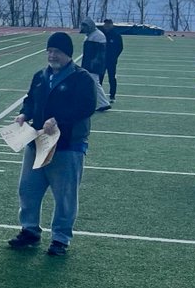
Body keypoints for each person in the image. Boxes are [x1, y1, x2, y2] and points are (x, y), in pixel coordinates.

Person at [7, 32, 97, 256]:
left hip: (67, 146)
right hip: (37, 142)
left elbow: (86, 107)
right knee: (28, 189)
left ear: (68, 54)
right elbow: (30, 100)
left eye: (57, 51)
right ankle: (30, 230)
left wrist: (58, 120)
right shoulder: (40, 75)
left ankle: (60, 239)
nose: (52, 55)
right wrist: (24, 114)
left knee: (65, 195)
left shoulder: (82, 78)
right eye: (49, 51)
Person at [79, 18, 112, 112]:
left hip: (93, 65)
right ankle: (94, 102)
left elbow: (99, 53)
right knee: (90, 83)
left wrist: (93, 63)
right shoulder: (91, 34)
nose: (83, 28)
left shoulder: (98, 36)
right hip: (89, 64)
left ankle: (104, 103)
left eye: (85, 26)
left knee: (95, 83)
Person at [98, 18, 123, 103]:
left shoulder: (116, 35)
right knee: (99, 79)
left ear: (112, 25)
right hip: (101, 61)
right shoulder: (100, 34)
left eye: (108, 24)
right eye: (106, 24)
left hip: (111, 61)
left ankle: (112, 96)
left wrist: (114, 57)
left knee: (112, 78)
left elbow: (120, 47)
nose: (107, 26)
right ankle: (99, 96)